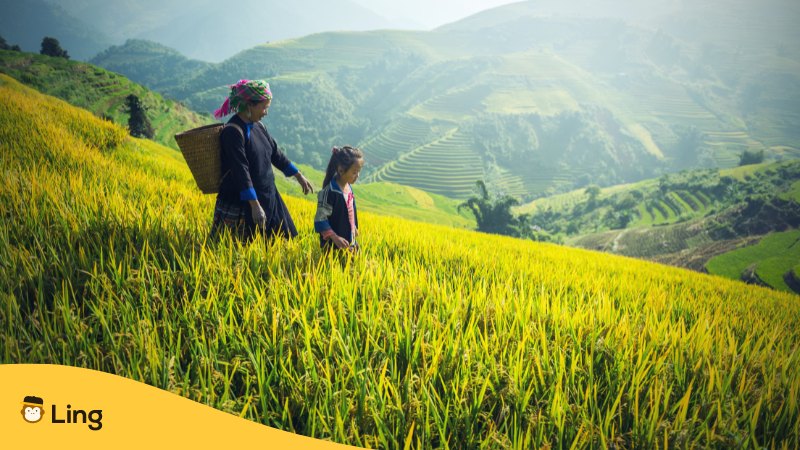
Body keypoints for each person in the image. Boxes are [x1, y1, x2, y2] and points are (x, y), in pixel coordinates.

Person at [210, 79, 314, 242]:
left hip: (268, 196)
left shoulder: (259, 127)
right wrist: (254, 205)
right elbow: (240, 171)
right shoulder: (233, 132)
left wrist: (299, 176)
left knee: (282, 243)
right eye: (264, 107)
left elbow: (275, 154)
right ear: (250, 105)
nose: (266, 112)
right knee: (238, 249)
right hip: (244, 202)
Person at [314, 146, 364, 252]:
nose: (357, 175)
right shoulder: (329, 192)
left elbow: (350, 211)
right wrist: (335, 238)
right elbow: (320, 219)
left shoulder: (348, 188)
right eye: (354, 172)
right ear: (341, 170)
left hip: (348, 242)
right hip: (333, 247)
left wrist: (353, 226)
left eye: (359, 171)